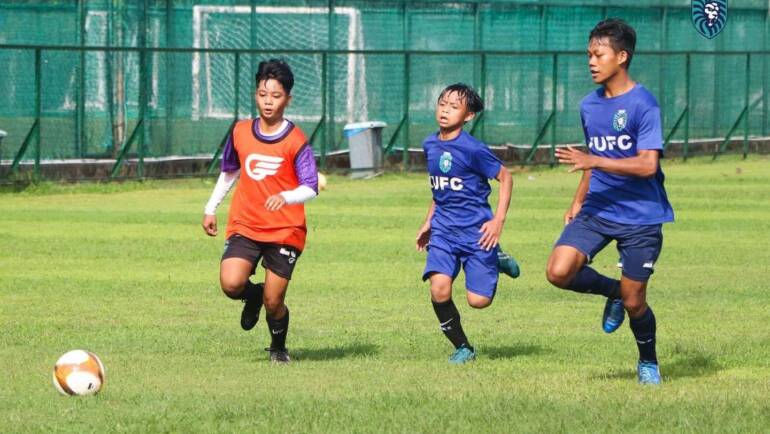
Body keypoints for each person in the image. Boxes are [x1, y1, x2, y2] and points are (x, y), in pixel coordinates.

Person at [547, 19, 674, 384]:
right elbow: (593, 156)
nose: (591, 61)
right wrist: (578, 199)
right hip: (598, 209)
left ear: (621, 56)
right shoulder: (589, 105)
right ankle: (613, 292)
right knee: (558, 271)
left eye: (598, 54)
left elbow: (648, 165)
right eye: (588, 54)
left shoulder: (643, 104)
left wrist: (594, 161)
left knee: (637, 303)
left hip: (640, 216)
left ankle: (647, 361)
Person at [201, 59, 319, 364]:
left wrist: (287, 196)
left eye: (276, 95)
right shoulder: (241, 131)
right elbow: (229, 172)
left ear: (288, 100)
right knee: (231, 284)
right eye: (263, 94)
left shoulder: (296, 140)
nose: (268, 101)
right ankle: (250, 296)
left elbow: (311, 186)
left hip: (285, 230)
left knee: (274, 300)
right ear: (256, 94)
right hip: (246, 223)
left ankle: (278, 347)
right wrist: (210, 208)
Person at [416, 83, 514, 364]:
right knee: (439, 289)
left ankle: (496, 257)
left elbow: (506, 177)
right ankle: (463, 347)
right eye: (442, 103)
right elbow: (441, 190)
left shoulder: (473, 149)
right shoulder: (430, 144)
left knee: (478, 301)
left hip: (477, 232)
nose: (445, 110)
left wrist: (498, 221)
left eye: (453, 106)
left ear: (468, 115)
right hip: (445, 232)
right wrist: (428, 222)